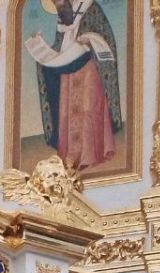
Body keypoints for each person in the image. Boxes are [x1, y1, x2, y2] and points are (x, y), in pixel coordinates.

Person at [24, 0, 122, 172]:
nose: (58, 6)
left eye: (59, 2)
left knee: (88, 109)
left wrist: (89, 39)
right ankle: (70, 157)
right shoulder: (62, 19)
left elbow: (105, 35)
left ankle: (90, 155)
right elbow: (59, 48)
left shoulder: (90, 7)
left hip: (87, 70)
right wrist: (39, 46)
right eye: (55, 4)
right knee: (67, 113)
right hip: (68, 75)